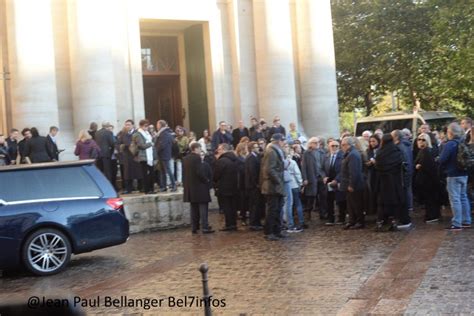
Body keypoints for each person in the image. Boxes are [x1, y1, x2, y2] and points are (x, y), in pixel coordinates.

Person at [439, 122, 471, 230]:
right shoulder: (463, 142)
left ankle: (456, 223)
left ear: (450, 132)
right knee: (463, 197)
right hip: (464, 173)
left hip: (453, 174)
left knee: (455, 199)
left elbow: (443, 159)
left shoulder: (450, 144)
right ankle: (466, 220)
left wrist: (438, 160)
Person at [374, 134, 404, 232]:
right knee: (394, 202)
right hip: (394, 181)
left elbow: (377, 166)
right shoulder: (397, 151)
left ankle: (380, 222)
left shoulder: (380, 153)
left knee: (381, 203)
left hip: (382, 181)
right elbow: (400, 164)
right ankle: (394, 221)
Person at [183, 142, 214, 234]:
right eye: (200, 149)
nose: (200, 150)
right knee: (203, 208)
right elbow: (199, 172)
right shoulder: (197, 158)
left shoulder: (185, 158)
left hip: (190, 187)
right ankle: (205, 227)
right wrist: (206, 180)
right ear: (196, 149)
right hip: (200, 187)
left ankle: (194, 227)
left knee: (193, 208)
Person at [260, 133, 286, 240]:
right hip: (272, 186)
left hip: (275, 185)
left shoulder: (275, 151)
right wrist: (279, 181)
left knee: (278, 209)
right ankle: (269, 232)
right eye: (283, 140)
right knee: (272, 210)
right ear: (278, 141)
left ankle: (277, 230)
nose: (284, 143)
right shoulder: (271, 152)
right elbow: (270, 169)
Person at [414, 133, 441, 222]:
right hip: (425, 180)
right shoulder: (422, 151)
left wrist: (419, 166)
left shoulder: (427, 151)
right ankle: (432, 215)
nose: (421, 141)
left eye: (423, 140)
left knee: (430, 199)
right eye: (419, 139)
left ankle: (432, 216)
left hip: (428, 180)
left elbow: (429, 166)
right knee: (429, 199)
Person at [340, 137, 365, 229]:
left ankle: (359, 221)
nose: (341, 147)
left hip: (355, 185)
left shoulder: (353, 154)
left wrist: (351, 184)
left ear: (349, 145)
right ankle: (352, 220)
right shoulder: (349, 154)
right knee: (350, 204)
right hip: (348, 183)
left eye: (343, 145)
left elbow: (354, 171)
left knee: (357, 204)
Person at [213, 143, 239, 231]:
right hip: (234, 186)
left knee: (227, 207)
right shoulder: (235, 159)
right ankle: (234, 224)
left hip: (224, 187)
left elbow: (216, 175)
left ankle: (229, 224)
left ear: (224, 149)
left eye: (219, 149)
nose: (218, 150)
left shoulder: (222, 161)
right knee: (233, 206)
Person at [391, 129, 413, 228]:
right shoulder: (405, 146)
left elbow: (404, 164)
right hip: (404, 177)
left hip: (402, 178)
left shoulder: (400, 147)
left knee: (402, 200)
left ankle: (404, 220)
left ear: (395, 137)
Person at [301, 137, 325, 221]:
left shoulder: (322, 152)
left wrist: (324, 176)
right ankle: (308, 213)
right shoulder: (306, 153)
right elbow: (303, 167)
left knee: (322, 196)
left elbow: (324, 165)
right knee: (311, 197)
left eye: (318, 142)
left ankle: (322, 213)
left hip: (321, 177)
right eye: (314, 142)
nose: (317, 144)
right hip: (311, 177)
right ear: (310, 144)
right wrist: (305, 178)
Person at [117, 120, 142, 194]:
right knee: (128, 173)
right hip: (127, 156)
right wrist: (120, 147)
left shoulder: (137, 133)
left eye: (129, 124)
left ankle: (141, 187)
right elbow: (118, 143)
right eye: (126, 125)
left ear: (133, 125)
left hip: (135, 155)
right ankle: (128, 189)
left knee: (138, 172)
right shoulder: (123, 134)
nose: (127, 126)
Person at [323, 140, 345, 225]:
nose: (334, 147)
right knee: (329, 200)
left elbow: (343, 170)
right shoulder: (326, 156)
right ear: (329, 146)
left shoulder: (342, 156)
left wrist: (336, 180)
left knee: (340, 200)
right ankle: (330, 219)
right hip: (328, 181)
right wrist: (324, 176)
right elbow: (321, 168)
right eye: (332, 146)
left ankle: (341, 218)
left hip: (338, 181)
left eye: (336, 146)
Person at [284, 145, 305, 232]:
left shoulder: (284, 162)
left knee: (288, 205)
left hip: (287, 185)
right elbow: (297, 174)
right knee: (298, 204)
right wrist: (300, 183)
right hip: (294, 184)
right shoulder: (292, 162)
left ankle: (289, 222)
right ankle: (300, 221)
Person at [133, 119, 155, 194]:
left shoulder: (147, 133)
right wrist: (150, 144)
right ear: (141, 126)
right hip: (143, 156)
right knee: (145, 174)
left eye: (147, 126)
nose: (147, 127)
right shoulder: (138, 134)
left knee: (151, 173)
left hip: (150, 157)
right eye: (145, 126)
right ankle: (147, 189)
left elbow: (151, 141)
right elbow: (141, 145)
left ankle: (152, 189)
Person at [245, 141, 264, 230]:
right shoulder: (251, 158)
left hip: (255, 185)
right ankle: (254, 223)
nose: (258, 148)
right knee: (254, 205)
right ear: (252, 148)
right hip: (253, 186)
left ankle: (257, 221)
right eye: (256, 147)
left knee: (257, 204)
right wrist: (256, 183)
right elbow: (252, 172)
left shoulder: (256, 156)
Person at [155, 120, 177, 192]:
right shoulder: (161, 133)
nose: (156, 126)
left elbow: (162, 144)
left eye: (157, 125)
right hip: (161, 155)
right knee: (162, 171)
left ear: (161, 125)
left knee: (168, 170)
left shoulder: (165, 133)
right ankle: (163, 186)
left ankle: (173, 185)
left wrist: (155, 149)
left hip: (165, 154)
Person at [366, 135, 381, 216]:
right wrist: (370, 162)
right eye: (370, 141)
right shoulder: (369, 150)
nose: (372, 143)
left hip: (379, 173)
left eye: (374, 141)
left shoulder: (381, 150)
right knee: (372, 191)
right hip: (372, 174)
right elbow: (367, 162)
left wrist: (374, 162)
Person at [235, 143, 249, 225]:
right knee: (243, 201)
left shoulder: (245, 158)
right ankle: (243, 217)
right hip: (241, 183)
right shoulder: (238, 159)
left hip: (245, 182)